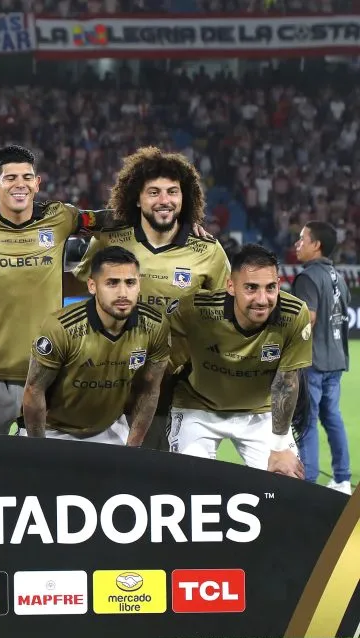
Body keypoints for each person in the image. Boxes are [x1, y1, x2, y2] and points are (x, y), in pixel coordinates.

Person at [0, 145, 113, 435]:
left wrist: (183, 221)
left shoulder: (60, 217)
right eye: (10, 178)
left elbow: (108, 220)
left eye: (27, 177)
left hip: (51, 374)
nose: (20, 185)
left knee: (47, 472)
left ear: (37, 183)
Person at [73, 146, 231, 451]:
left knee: (164, 475)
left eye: (173, 192)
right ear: (137, 197)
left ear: (184, 198)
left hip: (175, 383)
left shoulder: (208, 251)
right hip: (109, 377)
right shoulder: (110, 239)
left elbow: (225, 316)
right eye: (154, 192)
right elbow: (81, 285)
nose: (164, 201)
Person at [167, 244, 311, 478]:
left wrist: (278, 447)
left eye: (271, 287)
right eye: (252, 288)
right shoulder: (195, 309)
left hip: (259, 413)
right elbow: (158, 343)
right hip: (199, 408)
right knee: (189, 484)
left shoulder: (293, 314)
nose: (262, 299)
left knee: (288, 483)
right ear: (231, 286)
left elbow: (287, 383)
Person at [21, 247, 169, 445]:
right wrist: (38, 448)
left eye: (130, 282)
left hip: (110, 429)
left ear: (139, 285)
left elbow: (149, 391)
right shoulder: (61, 328)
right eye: (112, 283)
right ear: (92, 285)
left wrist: (133, 446)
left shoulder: (155, 326)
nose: (123, 293)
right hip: (54, 432)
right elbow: (34, 390)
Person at [293, 221, 352, 492]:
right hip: (336, 359)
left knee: (306, 421)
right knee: (333, 418)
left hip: (313, 362)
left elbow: (310, 318)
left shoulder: (307, 277)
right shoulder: (338, 277)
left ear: (316, 245)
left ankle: (309, 483)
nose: (298, 243)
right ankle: (342, 478)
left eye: (302, 239)